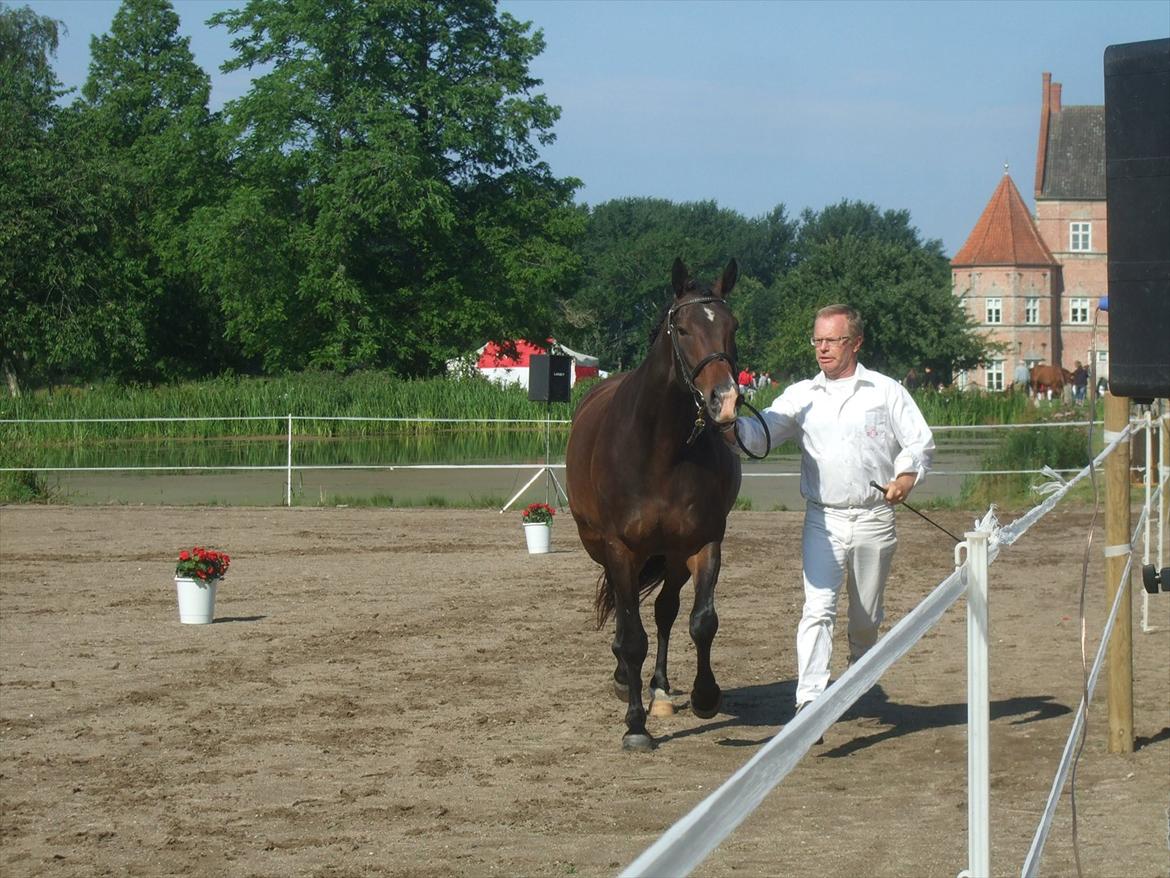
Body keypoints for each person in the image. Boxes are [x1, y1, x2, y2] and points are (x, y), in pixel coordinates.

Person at [725, 304, 935, 721]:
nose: (822, 349)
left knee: (864, 619)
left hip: (875, 518)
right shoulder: (802, 396)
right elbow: (759, 437)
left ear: (855, 343)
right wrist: (730, 419)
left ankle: (858, 675)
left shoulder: (885, 391)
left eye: (831, 341)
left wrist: (905, 478)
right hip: (823, 519)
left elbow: (919, 443)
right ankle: (810, 701)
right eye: (817, 340)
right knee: (817, 609)